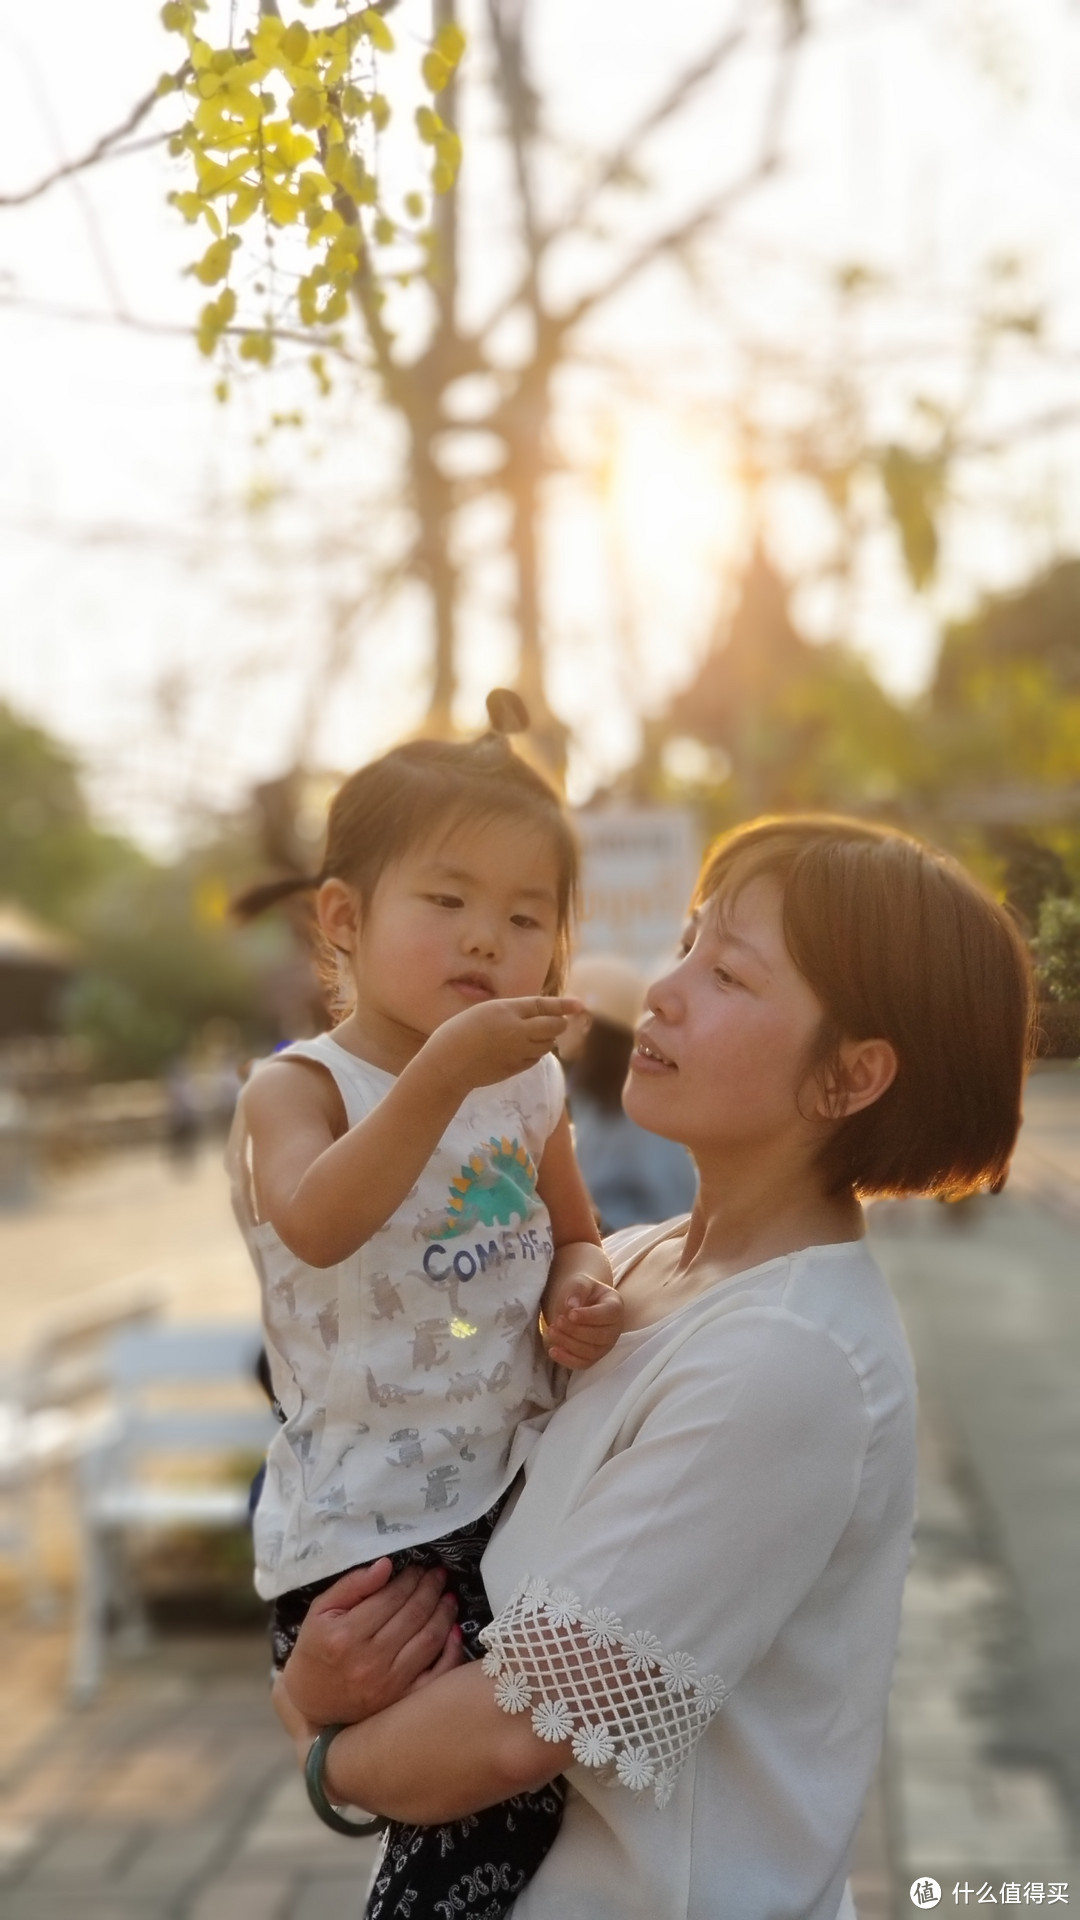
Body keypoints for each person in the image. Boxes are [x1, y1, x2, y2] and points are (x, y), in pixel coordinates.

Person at [272, 814, 1033, 1920]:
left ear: (851, 1076)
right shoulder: (628, 1266)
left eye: (727, 972)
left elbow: (514, 1729)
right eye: (686, 943)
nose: (665, 992)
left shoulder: (788, 1359)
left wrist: (316, 1743)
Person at [227, 692, 623, 1917]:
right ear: (344, 919)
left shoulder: (531, 1086)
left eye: (523, 917)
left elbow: (572, 1234)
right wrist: (446, 1070)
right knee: (481, 1812)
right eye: (446, 904)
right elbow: (321, 1218)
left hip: (506, 1488)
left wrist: (582, 1291)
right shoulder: (300, 1089)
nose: (485, 942)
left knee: (505, 1819)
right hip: (369, 1530)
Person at [560, 952, 697, 1231]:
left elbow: (675, 1211)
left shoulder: (641, 1109)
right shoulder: (586, 1095)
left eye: (563, 1012)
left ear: (586, 1022)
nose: (556, 1024)